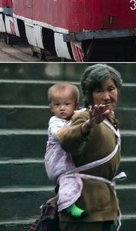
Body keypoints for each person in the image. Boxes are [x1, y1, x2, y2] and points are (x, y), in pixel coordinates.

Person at [57, 64, 125, 230]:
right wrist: (87, 126)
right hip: (83, 207)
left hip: (104, 206)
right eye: (99, 91)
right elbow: (66, 140)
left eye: (111, 89)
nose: (107, 96)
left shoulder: (110, 120)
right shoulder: (85, 116)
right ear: (89, 95)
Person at [44, 83, 87, 219]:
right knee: (68, 179)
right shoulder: (55, 121)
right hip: (57, 159)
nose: (62, 108)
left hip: (67, 157)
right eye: (57, 105)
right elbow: (58, 135)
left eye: (67, 104)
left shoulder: (77, 115)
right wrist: (76, 130)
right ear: (51, 108)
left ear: (75, 105)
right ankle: (67, 205)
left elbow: (86, 113)